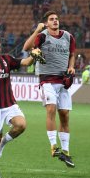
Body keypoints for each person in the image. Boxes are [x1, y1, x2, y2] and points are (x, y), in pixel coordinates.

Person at [0, 32, 38, 178]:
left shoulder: (7, 59)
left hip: (9, 103)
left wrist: (34, 55)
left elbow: (26, 62)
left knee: (21, 125)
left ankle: (5, 141)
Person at [23, 11, 76, 167]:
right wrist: (37, 30)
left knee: (65, 115)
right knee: (51, 109)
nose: (55, 21)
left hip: (63, 81)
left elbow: (72, 54)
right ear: (46, 23)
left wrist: (71, 67)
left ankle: (66, 152)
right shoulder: (43, 36)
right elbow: (27, 47)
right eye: (51, 19)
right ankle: (54, 147)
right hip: (47, 80)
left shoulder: (68, 37)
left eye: (56, 19)